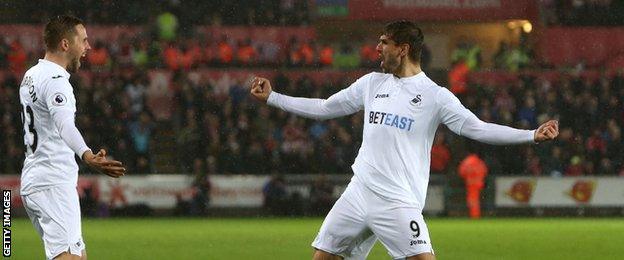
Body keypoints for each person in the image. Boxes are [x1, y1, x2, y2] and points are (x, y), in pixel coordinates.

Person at [250, 20, 559, 260]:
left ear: (403, 48)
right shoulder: (371, 83)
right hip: (359, 192)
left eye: (384, 43)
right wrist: (273, 97)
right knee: (323, 256)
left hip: (398, 201)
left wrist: (530, 135)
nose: (377, 48)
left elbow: (477, 128)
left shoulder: (436, 96)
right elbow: (325, 108)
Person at [18, 15, 126, 260]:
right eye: (84, 40)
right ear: (66, 44)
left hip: (38, 179)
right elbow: (64, 124)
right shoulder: (57, 82)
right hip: (52, 181)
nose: (88, 47)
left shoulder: (31, 75)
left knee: (77, 255)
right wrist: (87, 154)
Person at [457, 153, 488, 219]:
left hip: (470, 183)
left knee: (472, 200)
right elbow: (485, 171)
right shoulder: (480, 162)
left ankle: (474, 215)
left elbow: (461, 172)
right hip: (479, 183)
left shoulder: (467, 162)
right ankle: (476, 215)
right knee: (477, 200)